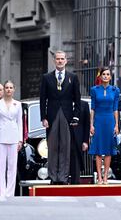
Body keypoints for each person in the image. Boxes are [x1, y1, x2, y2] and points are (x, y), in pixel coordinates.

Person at [40, 50, 81, 184]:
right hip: (51, 116)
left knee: (65, 147)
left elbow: (77, 99)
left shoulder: (73, 77)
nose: (60, 61)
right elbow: (42, 99)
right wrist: (43, 117)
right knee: (52, 147)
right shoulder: (46, 77)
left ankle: (63, 177)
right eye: (57, 59)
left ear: (66, 61)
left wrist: (76, 116)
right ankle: (53, 177)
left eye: (62, 59)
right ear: (54, 61)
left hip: (67, 116)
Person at [89, 67, 120, 184]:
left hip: (110, 120)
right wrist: (91, 125)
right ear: (100, 76)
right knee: (98, 150)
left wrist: (116, 125)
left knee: (108, 150)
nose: (106, 76)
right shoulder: (94, 90)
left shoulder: (115, 90)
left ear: (110, 77)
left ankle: (106, 176)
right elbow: (92, 108)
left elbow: (115, 109)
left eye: (108, 74)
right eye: (104, 74)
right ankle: (99, 177)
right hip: (98, 120)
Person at [0, 80, 22, 197]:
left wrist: (20, 140)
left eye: (11, 87)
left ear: (14, 90)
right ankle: (1, 193)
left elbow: (20, 121)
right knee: (0, 167)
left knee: (12, 166)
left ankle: (10, 193)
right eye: (7, 87)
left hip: (14, 136)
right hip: (0, 136)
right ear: (4, 90)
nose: (8, 89)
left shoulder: (18, 104)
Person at [70, 100, 90, 184]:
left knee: (76, 162)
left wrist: (85, 141)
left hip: (78, 139)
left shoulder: (84, 104)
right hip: (65, 137)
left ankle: (75, 183)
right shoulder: (64, 102)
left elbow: (87, 124)